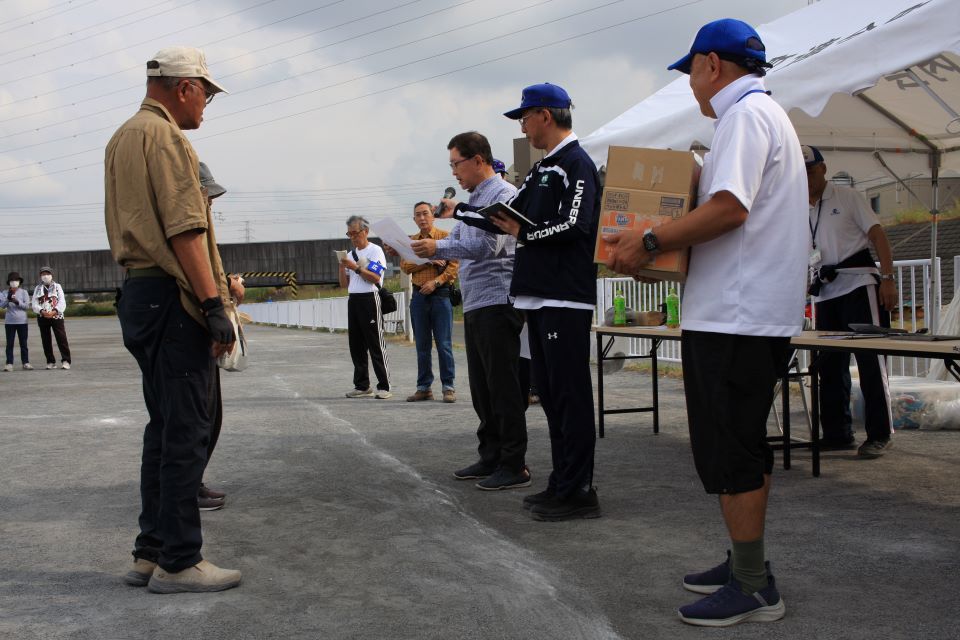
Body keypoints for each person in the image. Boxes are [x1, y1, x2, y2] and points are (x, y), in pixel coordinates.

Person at [603, 19, 808, 627]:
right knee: (741, 444)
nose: (689, 83)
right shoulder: (759, 115)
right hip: (745, 312)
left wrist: (647, 238)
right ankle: (749, 563)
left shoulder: (745, 116)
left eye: (689, 69)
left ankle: (752, 585)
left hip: (736, 319)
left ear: (711, 65)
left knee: (732, 451)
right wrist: (661, 254)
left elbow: (729, 208)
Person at [104, 46, 241, 593]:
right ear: (183, 87)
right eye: (206, 93)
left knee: (163, 430)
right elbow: (186, 229)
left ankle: (151, 551)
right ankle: (181, 561)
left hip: (139, 293)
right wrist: (213, 307)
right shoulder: (168, 138)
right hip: (173, 298)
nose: (206, 104)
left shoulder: (123, 136)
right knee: (187, 430)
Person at [438, 85, 602, 520]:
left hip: (564, 296)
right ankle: (562, 482)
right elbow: (508, 221)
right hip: (536, 296)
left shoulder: (575, 163)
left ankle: (579, 488)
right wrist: (462, 215)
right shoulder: (542, 168)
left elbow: (576, 223)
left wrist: (522, 233)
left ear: (545, 115)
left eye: (524, 118)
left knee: (568, 395)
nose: (522, 126)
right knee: (548, 394)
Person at [412, 131, 530, 491]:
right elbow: (463, 242)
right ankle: (491, 454)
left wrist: (438, 246)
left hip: (499, 300)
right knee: (482, 387)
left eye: (456, 164)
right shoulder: (473, 200)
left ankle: (514, 463)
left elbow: (487, 245)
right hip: (479, 302)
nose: (454, 174)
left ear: (478, 160)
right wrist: (436, 246)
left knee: (503, 385)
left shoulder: (502, 194)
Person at [804, 145, 895, 458]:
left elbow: (878, 235)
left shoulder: (849, 197)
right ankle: (837, 433)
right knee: (829, 365)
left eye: (811, 171)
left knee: (871, 363)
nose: (807, 178)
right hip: (826, 292)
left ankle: (880, 434)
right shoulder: (800, 208)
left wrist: (887, 278)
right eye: (800, 173)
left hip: (859, 285)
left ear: (824, 169)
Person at [196, 161, 247, 511]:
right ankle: (187, 488)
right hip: (195, 330)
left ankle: (193, 481)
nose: (210, 201)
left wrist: (231, 294)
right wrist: (215, 314)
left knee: (209, 416)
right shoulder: (188, 230)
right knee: (198, 416)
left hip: (206, 327)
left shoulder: (202, 227)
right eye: (205, 194)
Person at [398, 202, 458, 403]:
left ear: (433, 215)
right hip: (419, 297)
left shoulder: (444, 237)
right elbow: (405, 266)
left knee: (444, 344)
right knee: (422, 345)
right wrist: (428, 260)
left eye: (425, 213)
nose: (422, 218)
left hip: (440, 295)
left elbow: (454, 266)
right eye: (417, 215)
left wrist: (436, 282)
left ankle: (448, 387)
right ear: (413, 219)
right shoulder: (411, 241)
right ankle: (424, 387)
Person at [338, 215, 392, 399]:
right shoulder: (351, 255)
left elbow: (375, 278)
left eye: (356, 232)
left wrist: (354, 267)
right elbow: (343, 285)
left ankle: (384, 385)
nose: (353, 237)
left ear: (366, 231)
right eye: (350, 234)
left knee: (375, 343)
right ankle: (362, 385)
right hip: (353, 299)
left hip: (370, 298)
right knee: (356, 345)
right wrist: (342, 266)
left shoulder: (375, 251)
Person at [31, 266, 71, 370]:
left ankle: (66, 360)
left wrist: (54, 311)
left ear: (51, 275)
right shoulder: (37, 288)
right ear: (40, 276)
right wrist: (41, 311)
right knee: (46, 340)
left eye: (47, 274)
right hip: (42, 316)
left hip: (56, 316)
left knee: (61, 338)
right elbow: (34, 303)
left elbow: (62, 302)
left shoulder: (57, 286)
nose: (45, 276)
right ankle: (50, 361)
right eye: (43, 274)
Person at [1, 272, 32, 371]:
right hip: (9, 322)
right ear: (9, 282)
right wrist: (8, 299)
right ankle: (9, 363)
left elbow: (27, 306)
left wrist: (17, 301)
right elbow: (2, 306)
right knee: (9, 344)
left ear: (19, 282)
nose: (14, 282)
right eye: (12, 280)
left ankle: (25, 362)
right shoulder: (4, 292)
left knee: (23, 343)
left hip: (22, 321)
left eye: (16, 280)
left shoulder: (24, 292)